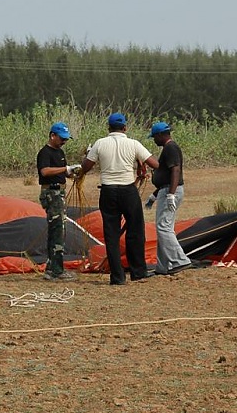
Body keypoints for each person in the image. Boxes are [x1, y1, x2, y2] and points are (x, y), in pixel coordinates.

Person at [79, 113, 159, 285]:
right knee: (136, 231)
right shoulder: (133, 144)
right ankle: (138, 272)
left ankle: (117, 277)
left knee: (111, 234)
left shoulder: (100, 144)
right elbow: (154, 163)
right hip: (128, 191)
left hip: (108, 191)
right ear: (125, 128)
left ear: (108, 128)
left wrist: (86, 155)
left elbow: (85, 167)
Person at [37, 122, 81, 281]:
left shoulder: (60, 152)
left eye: (66, 139)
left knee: (58, 229)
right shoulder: (45, 152)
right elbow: (45, 171)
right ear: (52, 135)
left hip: (60, 191)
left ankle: (52, 267)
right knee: (57, 231)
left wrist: (73, 174)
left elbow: (63, 173)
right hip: (51, 193)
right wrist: (66, 169)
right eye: (61, 138)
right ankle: (57, 270)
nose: (64, 141)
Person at [146, 122, 192, 275]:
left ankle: (180, 260)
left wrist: (171, 194)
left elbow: (175, 170)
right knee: (163, 228)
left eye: (154, 137)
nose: (154, 140)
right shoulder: (167, 148)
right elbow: (165, 174)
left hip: (170, 191)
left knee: (163, 227)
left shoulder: (170, 148)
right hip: (165, 190)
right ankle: (163, 266)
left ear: (160, 135)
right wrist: (154, 194)